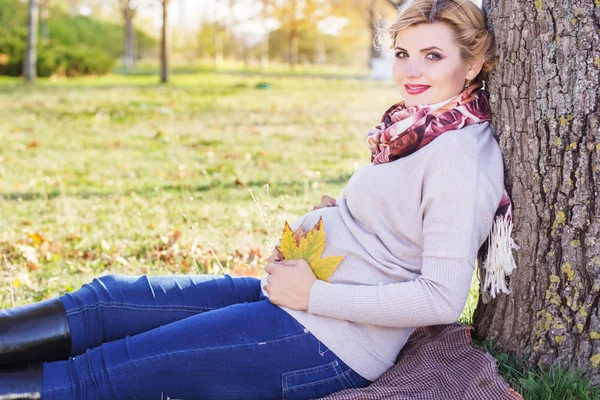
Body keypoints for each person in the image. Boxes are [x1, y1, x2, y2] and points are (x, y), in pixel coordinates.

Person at [0, 0, 513, 399]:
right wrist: (326, 224)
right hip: (295, 298)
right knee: (106, 301)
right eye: (403, 53)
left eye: (433, 56)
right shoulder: (415, 129)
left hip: (330, 340)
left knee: (104, 373)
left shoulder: (459, 156)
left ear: (473, 65)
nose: (411, 72)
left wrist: (314, 296)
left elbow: (442, 298)